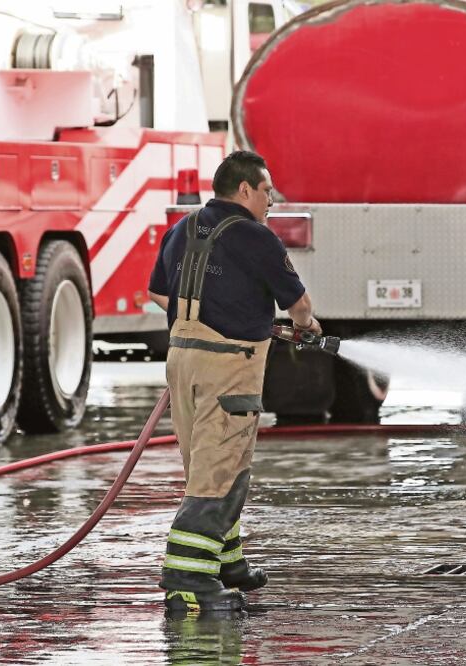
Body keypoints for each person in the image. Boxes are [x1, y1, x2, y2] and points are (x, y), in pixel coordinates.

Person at [148, 150, 322, 614]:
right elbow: (299, 306)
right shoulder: (256, 237)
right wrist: (306, 327)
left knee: (205, 464)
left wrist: (222, 308)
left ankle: (226, 561)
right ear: (244, 189)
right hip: (229, 367)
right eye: (268, 191)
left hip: (182, 361)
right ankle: (188, 581)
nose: (272, 201)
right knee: (220, 472)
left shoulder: (183, 228)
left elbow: (158, 289)